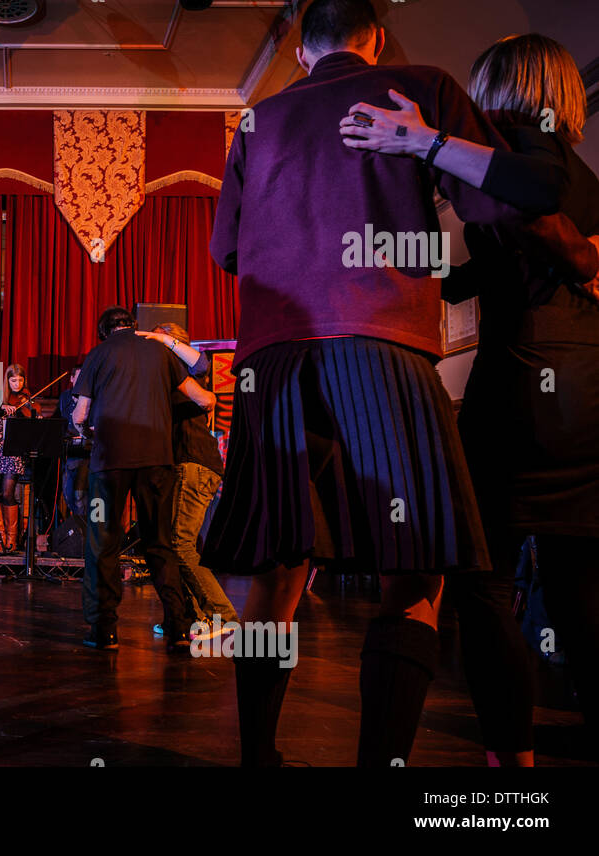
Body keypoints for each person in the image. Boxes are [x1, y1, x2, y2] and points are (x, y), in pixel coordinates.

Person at [205, 0, 524, 767]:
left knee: (278, 570)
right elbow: (500, 203)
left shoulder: (257, 117)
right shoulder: (420, 83)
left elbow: (226, 252)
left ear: (299, 47)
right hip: (381, 339)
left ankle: (258, 757)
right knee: (412, 571)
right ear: (375, 38)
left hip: (275, 359)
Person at [340, 33, 599, 763]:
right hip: (587, 394)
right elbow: (487, 270)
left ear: (502, 88)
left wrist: (422, 142)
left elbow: (530, 203)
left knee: (482, 581)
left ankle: (510, 756)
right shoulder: (581, 172)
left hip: (522, 384)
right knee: (579, 591)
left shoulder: (522, 145)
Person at [70, 307, 216, 650]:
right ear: (134, 327)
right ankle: (179, 626)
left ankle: (103, 630)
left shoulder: (98, 354)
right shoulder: (160, 351)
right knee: (160, 542)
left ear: (104, 331)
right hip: (157, 461)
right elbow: (202, 397)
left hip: (110, 464)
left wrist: (82, 427)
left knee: (102, 543)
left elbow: (80, 413)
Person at [139, 324, 238, 633]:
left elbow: (202, 364)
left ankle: (224, 616)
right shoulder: (166, 380)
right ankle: (192, 617)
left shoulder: (189, 371)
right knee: (178, 543)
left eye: (160, 342)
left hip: (195, 464)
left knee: (180, 544)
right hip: (186, 466)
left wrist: (162, 339)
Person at [0, 363, 38, 553]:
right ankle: (2, 540)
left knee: (8, 493)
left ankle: (12, 541)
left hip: (13, 452)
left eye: (20, 380)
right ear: (7, 380)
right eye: (13, 380)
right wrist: (0, 406)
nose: (17, 384)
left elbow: (32, 420)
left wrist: (21, 410)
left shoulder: (25, 399)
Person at [57, 364, 89, 523]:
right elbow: (60, 421)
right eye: (79, 377)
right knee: (68, 493)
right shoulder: (65, 397)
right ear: (71, 378)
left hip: (84, 452)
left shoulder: (91, 397)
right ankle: (78, 527)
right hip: (68, 452)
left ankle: (84, 529)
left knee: (79, 494)